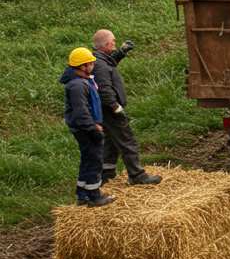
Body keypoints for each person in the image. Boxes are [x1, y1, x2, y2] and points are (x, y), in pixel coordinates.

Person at [91, 30, 161, 186]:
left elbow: (109, 63)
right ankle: (137, 175)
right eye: (114, 42)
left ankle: (106, 173)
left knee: (111, 140)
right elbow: (104, 89)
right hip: (109, 110)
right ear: (107, 44)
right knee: (127, 140)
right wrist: (116, 108)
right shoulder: (100, 65)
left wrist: (121, 53)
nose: (115, 44)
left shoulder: (99, 59)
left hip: (104, 110)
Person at [62, 47, 113, 207]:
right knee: (94, 161)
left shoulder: (83, 80)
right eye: (90, 63)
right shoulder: (77, 86)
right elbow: (81, 112)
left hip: (86, 126)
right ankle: (94, 196)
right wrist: (93, 128)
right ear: (83, 66)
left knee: (87, 159)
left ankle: (82, 194)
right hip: (86, 128)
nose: (93, 66)